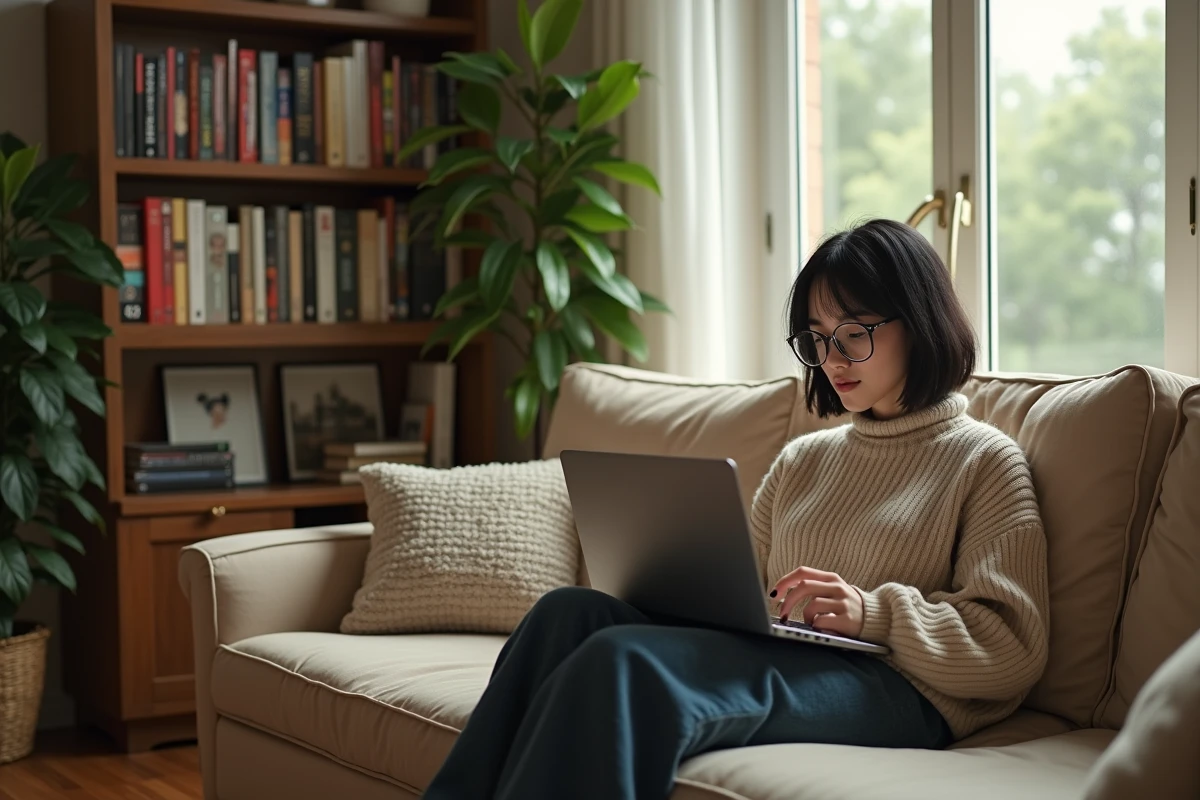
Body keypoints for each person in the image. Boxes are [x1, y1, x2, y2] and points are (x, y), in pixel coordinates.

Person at [422, 218, 1050, 800]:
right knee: (568, 612)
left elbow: (1013, 648)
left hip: (900, 689)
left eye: (854, 335)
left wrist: (872, 613)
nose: (832, 360)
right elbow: (743, 597)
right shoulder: (804, 460)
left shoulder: (984, 462)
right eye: (818, 339)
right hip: (785, 655)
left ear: (919, 322)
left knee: (623, 663)